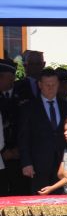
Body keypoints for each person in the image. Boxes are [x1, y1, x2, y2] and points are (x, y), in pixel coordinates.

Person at [18, 69, 67, 194]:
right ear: (40, 85)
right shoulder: (29, 107)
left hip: (63, 163)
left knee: (62, 199)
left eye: (53, 84)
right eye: (47, 84)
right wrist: (26, 163)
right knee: (40, 199)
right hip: (38, 164)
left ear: (58, 84)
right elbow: (23, 137)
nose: (50, 88)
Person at [0, 58, 24, 196]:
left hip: (19, 154)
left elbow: (26, 125)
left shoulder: (23, 93)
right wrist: (4, 152)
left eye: (2, 77)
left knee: (20, 192)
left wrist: (19, 149)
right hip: (2, 155)